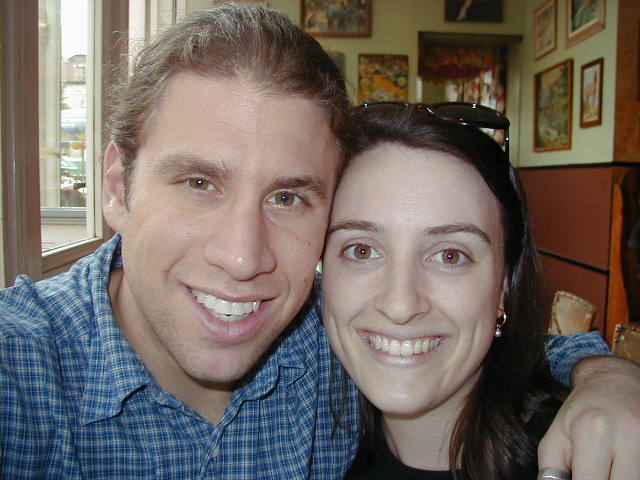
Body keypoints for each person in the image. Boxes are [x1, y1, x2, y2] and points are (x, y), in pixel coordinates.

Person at [0, 3, 638, 479]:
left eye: (287, 198)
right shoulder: (21, 372)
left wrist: (607, 376)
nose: (243, 258)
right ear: (118, 187)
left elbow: (496, 343)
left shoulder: (331, 335)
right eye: (199, 183)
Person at [321, 102, 640, 479]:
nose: (400, 305)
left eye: (450, 255)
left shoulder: (585, 456)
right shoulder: (309, 442)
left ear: (504, 283)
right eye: (361, 250)